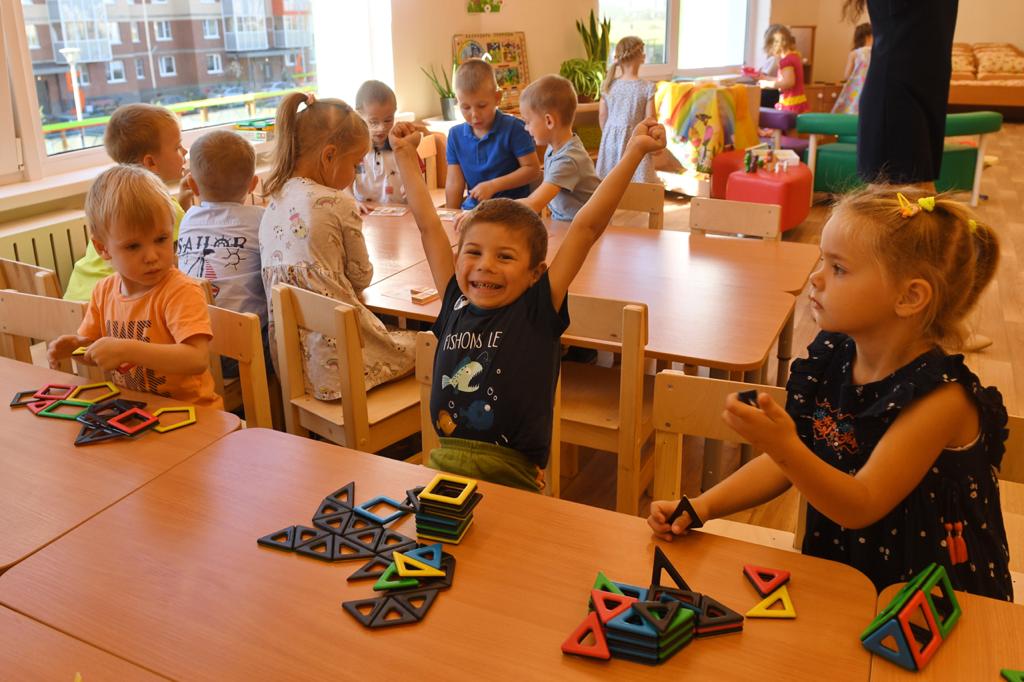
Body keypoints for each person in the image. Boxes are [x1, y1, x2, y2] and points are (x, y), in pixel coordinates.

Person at [648, 187, 1012, 601]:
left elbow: (861, 503)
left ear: (909, 297)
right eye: (823, 259)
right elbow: (793, 459)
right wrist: (702, 506)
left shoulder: (941, 399)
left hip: (934, 600)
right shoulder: (835, 358)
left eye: (838, 268)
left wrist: (783, 445)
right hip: (844, 580)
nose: (816, 277)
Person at [392, 117, 666, 491]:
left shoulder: (537, 306)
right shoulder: (454, 298)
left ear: (535, 273)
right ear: (457, 258)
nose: (485, 264)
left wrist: (634, 152)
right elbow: (427, 225)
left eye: (504, 257)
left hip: (514, 475)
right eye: (473, 252)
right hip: (444, 464)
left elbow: (586, 227)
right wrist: (405, 156)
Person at [259, 93, 415, 399]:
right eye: (356, 165)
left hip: (296, 371)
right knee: (428, 345)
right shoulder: (336, 201)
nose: (356, 174)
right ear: (329, 156)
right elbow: (361, 277)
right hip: (344, 366)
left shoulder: (274, 199)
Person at [48, 166, 221, 408]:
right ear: (102, 249)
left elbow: (197, 359)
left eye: (161, 239)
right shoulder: (103, 292)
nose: (151, 256)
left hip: (194, 415)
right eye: (133, 246)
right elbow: (102, 355)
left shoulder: (180, 290)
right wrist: (78, 347)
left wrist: (127, 350)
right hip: (139, 413)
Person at [64, 103, 188, 302]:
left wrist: (183, 201)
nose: (185, 150)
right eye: (177, 147)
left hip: (75, 301)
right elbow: (192, 251)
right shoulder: (163, 208)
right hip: (111, 307)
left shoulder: (114, 200)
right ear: (150, 163)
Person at [176, 130, 267, 377]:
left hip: (189, 343)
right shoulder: (260, 219)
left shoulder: (188, 219)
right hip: (240, 350)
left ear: (192, 185)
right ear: (253, 184)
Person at [445, 59, 540, 210]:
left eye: (481, 106)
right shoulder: (455, 135)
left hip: (513, 210)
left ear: (497, 98)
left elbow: (532, 170)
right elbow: (454, 183)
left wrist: (493, 186)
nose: (474, 114)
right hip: (473, 211)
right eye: (465, 107)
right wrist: (450, 215)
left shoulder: (514, 128)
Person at [517, 74, 600, 222]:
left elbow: (533, 204)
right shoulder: (554, 148)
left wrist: (485, 210)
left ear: (549, 121)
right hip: (565, 226)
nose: (525, 128)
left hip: (587, 233)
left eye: (528, 121)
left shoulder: (568, 160)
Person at [596, 36, 657, 183]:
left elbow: (602, 116)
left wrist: (609, 135)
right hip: (636, 140)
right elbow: (651, 119)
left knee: (610, 183)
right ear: (640, 56)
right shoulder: (647, 87)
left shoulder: (609, 85)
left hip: (610, 140)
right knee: (637, 183)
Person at [352, 80, 411, 207]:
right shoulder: (354, 149)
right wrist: (353, 202)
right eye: (373, 122)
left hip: (401, 212)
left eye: (388, 120)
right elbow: (344, 184)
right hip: (366, 213)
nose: (381, 128)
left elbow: (416, 177)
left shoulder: (401, 143)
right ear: (359, 116)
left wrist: (410, 187)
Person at [758, 24, 808, 114]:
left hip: (791, 104)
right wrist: (765, 78)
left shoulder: (786, 61)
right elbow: (784, 79)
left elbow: (788, 83)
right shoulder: (794, 56)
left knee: (785, 127)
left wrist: (766, 84)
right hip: (796, 102)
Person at [832, 23, 873, 114]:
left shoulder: (854, 53)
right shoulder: (877, 52)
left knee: (852, 111)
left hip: (857, 89)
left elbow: (846, 76)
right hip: (871, 88)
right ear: (869, 36)